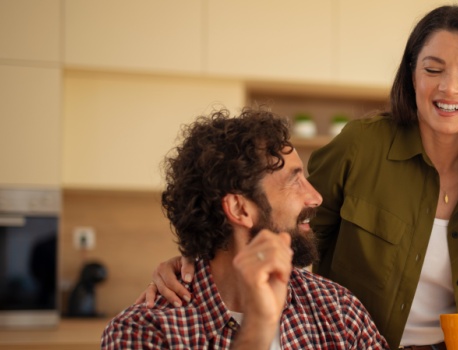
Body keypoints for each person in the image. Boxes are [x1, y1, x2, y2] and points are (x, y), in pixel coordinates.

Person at [142, 5, 458, 350]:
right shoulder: (362, 146)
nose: (448, 87)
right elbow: (283, 222)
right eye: (432, 68)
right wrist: (198, 264)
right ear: (412, 75)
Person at [103, 108, 388, 349]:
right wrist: (258, 326)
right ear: (240, 209)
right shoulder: (144, 333)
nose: (315, 197)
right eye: (294, 181)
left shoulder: (338, 310)